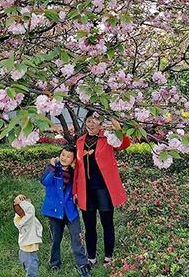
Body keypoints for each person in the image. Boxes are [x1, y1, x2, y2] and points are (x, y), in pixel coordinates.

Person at [73, 115, 130, 266]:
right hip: (86, 191)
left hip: (104, 189)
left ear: (101, 123)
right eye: (88, 121)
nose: (91, 124)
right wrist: (75, 191)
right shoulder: (80, 141)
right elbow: (78, 169)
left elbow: (124, 144)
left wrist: (117, 128)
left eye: (94, 121)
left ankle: (108, 256)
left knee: (107, 223)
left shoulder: (108, 138)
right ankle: (91, 257)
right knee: (89, 226)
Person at [40, 145, 92, 276]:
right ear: (59, 155)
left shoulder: (74, 173)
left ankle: (83, 265)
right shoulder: (52, 169)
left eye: (69, 156)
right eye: (63, 155)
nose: (65, 158)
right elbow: (45, 182)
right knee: (55, 240)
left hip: (70, 212)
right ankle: (55, 263)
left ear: (73, 160)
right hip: (54, 212)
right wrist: (52, 167)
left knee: (77, 239)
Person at [13, 194, 43, 277]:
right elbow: (31, 209)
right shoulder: (27, 220)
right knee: (31, 273)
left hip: (25, 250)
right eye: (25, 202)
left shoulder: (21, 218)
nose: (29, 203)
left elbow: (26, 209)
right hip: (29, 252)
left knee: (30, 272)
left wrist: (20, 201)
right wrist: (19, 201)